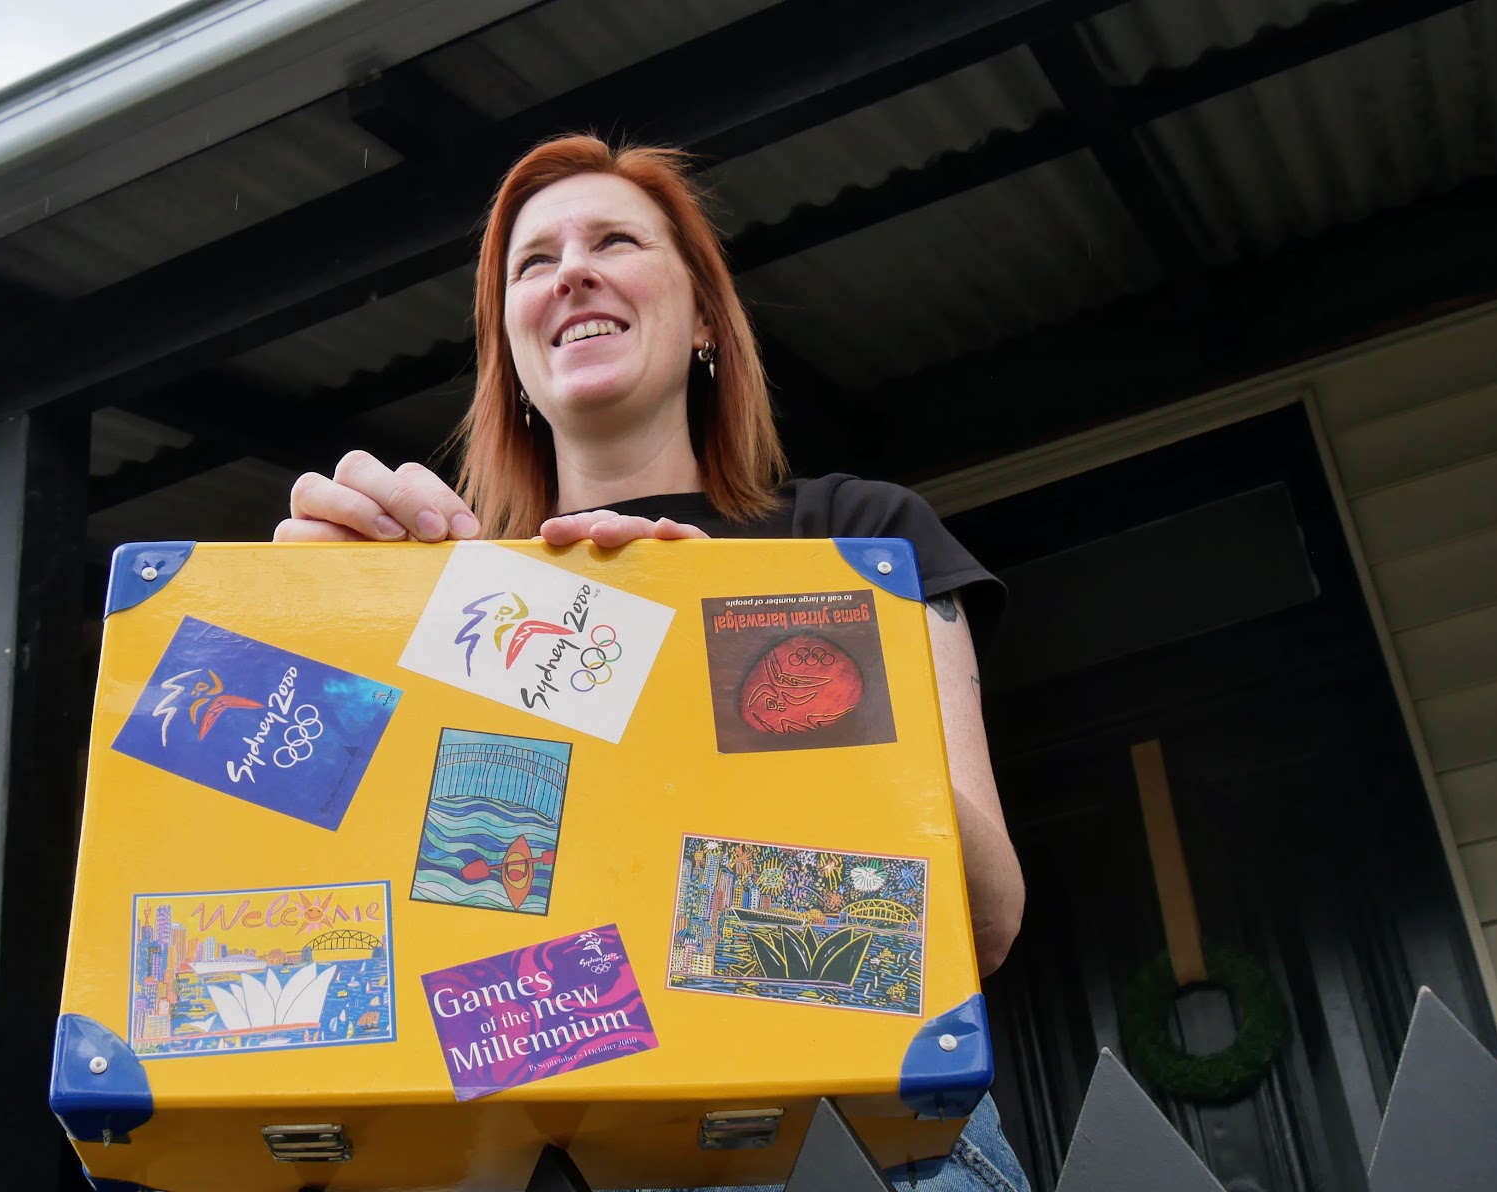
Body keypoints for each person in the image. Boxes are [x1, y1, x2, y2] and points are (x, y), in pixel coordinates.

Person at [275, 134, 1029, 1192]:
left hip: (839, 1139)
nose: (570, 270)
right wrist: (302, 646)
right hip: (544, 1158)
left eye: (615, 240)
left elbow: (984, 917)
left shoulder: (852, 534)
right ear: (514, 360)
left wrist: (746, 648)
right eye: (533, 264)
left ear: (707, 321)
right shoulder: (453, 603)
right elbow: (381, 942)